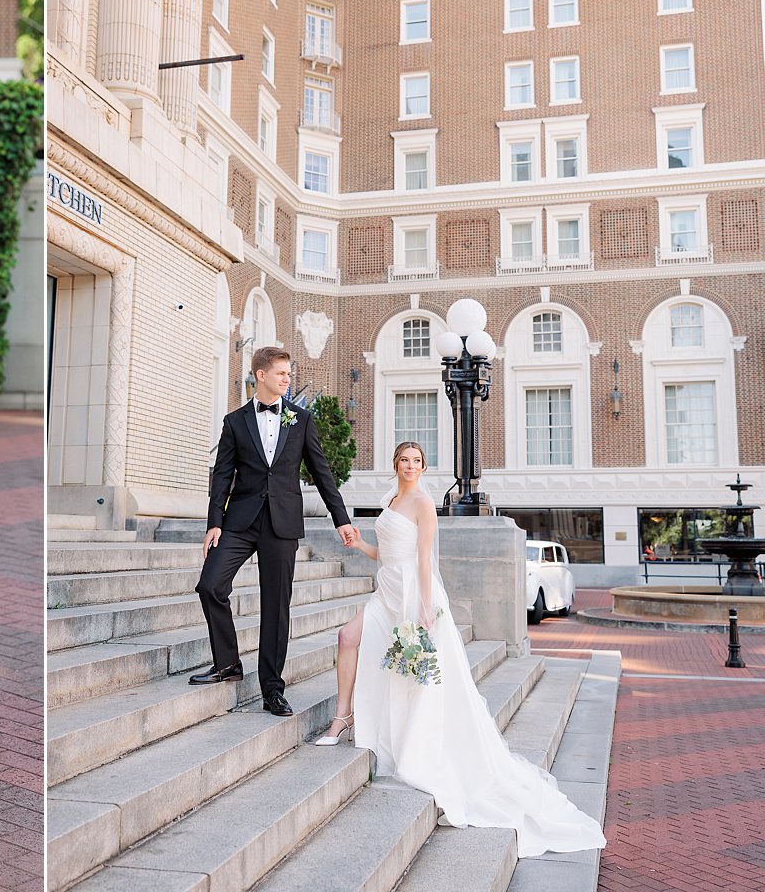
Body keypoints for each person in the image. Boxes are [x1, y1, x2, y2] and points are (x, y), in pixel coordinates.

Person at [317, 441, 605, 857]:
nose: (410, 466)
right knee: (347, 638)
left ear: (424, 467)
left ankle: (410, 740)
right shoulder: (391, 499)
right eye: (404, 460)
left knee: (415, 675)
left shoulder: (422, 502)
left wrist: (422, 606)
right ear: (395, 464)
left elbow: (423, 559)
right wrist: (360, 546)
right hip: (386, 590)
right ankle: (342, 718)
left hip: (413, 595)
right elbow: (387, 555)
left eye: (417, 461)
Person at [193, 347, 358, 716]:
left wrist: (341, 518)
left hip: (282, 523)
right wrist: (214, 523)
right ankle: (228, 663)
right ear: (261, 375)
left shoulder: (301, 420)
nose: (287, 379)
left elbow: (322, 473)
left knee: (275, 608)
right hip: (240, 520)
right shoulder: (234, 421)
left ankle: (272, 689)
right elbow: (222, 476)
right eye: (281, 373)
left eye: (288, 373)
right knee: (210, 585)